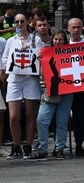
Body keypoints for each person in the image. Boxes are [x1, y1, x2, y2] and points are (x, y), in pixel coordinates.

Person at [1, 12, 45, 159]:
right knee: (13, 116)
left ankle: (28, 145)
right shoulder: (11, 41)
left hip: (30, 79)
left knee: (30, 114)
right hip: (14, 79)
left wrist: (32, 52)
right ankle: (16, 145)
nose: (19, 24)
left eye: (22, 21)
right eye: (17, 22)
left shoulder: (35, 40)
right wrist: (10, 66)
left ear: (27, 22)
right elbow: (5, 59)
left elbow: (41, 56)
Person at [29, 30, 71, 161]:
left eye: (61, 40)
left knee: (62, 121)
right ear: (52, 40)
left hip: (67, 91)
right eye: (56, 39)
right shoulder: (46, 54)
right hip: (50, 92)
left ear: (65, 41)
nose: (58, 42)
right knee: (41, 120)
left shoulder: (70, 54)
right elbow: (39, 72)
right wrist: (39, 60)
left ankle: (59, 148)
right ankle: (42, 149)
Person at [66, 17, 84, 156]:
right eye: (73, 27)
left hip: (82, 86)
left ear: (82, 29)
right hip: (66, 86)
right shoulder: (62, 44)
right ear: (68, 29)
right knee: (62, 117)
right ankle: (60, 146)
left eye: (78, 27)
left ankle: (79, 144)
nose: (75, 30)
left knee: (80, 117)